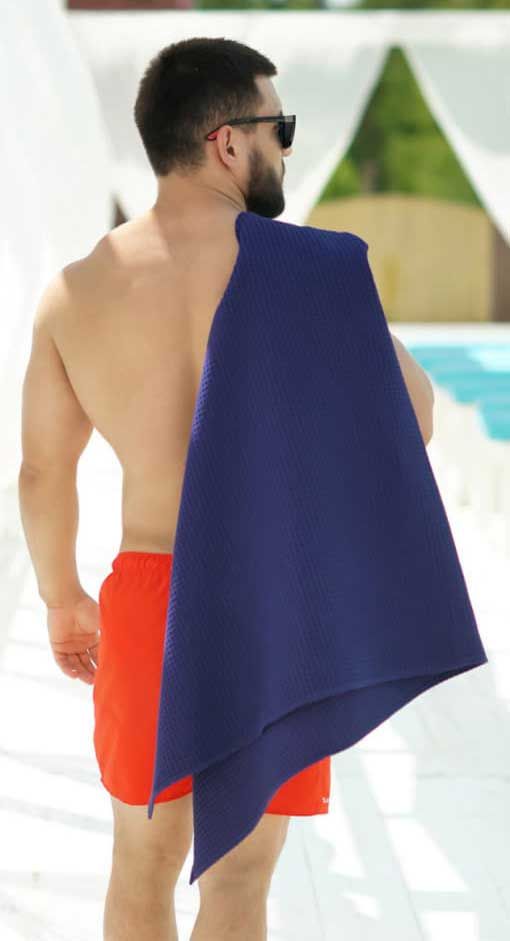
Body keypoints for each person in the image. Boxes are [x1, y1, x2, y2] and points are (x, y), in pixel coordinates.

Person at [18, 37, 435, 941]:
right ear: (228, 141)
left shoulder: (76, 291)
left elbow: (43, 470)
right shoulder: (309, 271)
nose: (286, 146)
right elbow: (414, 419)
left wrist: (63, 598)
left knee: (141, 863)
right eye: (281, 126)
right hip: (273, 598)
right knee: (241, 876)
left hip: (148, 597)